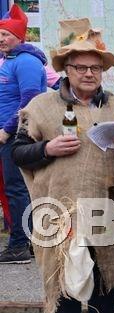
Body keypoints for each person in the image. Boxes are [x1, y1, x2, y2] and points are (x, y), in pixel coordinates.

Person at [11, 18, 114, 313]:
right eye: (80, 67)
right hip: (57, 210)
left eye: (95, 67)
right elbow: (17, 153)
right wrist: (47, 148)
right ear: (66, 68)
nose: (88, 73)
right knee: (63, 281)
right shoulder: (41, 107)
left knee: (105, 280)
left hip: (106, 209)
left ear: (103, 70)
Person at [0, 4, 44, 264]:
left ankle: (19, 246)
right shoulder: (11, 60)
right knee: (15, 189)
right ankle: (27, 241)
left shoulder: (26, 62)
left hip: (16, 136)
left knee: (17, 189)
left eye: (5, 34)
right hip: (7, 134)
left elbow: (29, 101)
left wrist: (7, 131)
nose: (1, 39)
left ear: (19, 37)